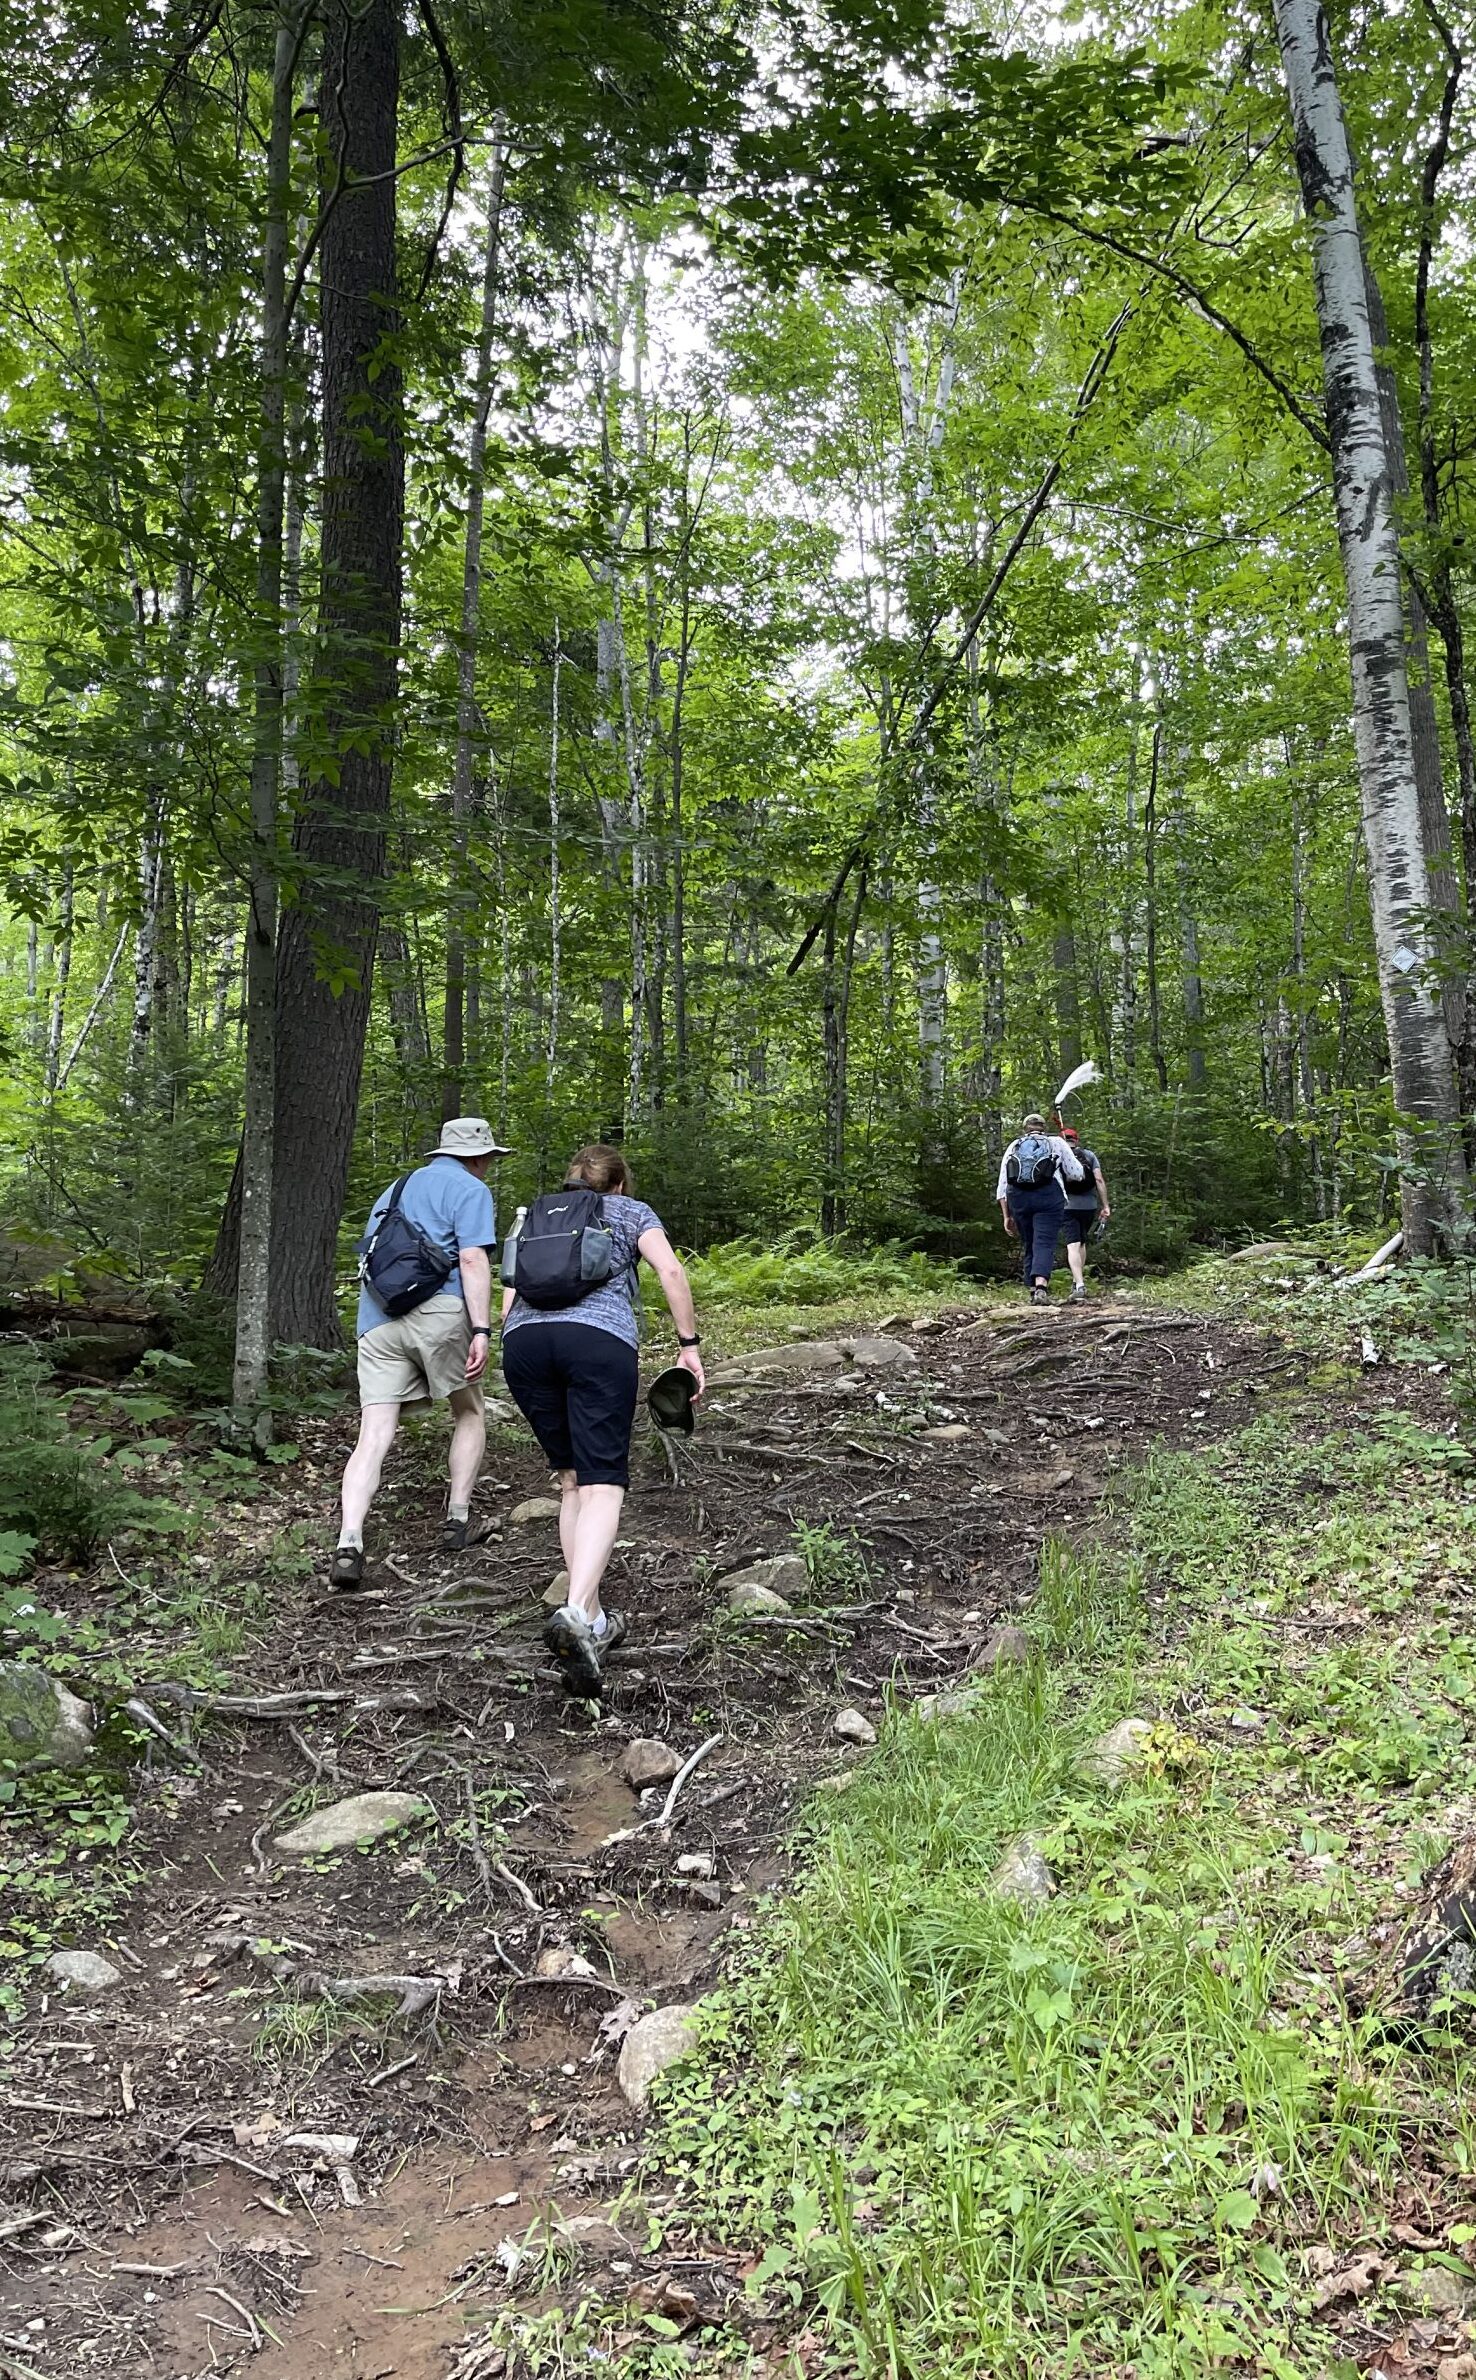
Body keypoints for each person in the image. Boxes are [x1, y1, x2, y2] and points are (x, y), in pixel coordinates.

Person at [500, 1144, 704, 1698]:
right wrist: (688, 1348)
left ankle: (587, 1619)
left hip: (522, 1345)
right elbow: (670, 1269)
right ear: (618, 1185)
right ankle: (573, 1609)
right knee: (603, 1483)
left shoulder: (538, 1214)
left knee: (570, 1480)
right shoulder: (632, 1213)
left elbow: (509, 1293)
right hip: (597, 1343)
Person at [330, 1116, 507, 1590]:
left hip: (378, 1319)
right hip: (438, 1316)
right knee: (469, 1412)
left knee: (373, 1434)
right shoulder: (471, 1190)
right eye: (489, 1157)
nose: (489, 1166)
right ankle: (457, 1519)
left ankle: (349, 1541)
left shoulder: (395, 1189)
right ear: (477, 1156)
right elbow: (472, 1259)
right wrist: (483, 1329)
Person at [996, 1111, 1084, 1306]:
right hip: (1048, 1196)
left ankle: (1031, 1289)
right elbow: (1077, 1173)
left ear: (1025, 1128)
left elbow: (1002, 1185)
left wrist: (1006, 1216)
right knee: (1043, 1241)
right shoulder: (1056, 1143)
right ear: (1043, 1128)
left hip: (1018, 1198)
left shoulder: (1014, 1145)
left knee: (1029, 1241)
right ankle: (1041, 1287)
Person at [1058, 1125, 1111, 1304]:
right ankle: (1076, 1281)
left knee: (1072, 1244)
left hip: (1067, 1206)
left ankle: (1079, 1285)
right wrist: (1105, 1205)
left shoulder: (1059, 1156)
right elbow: (1098, 1179)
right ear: (1077, 1139)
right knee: (1081, 1242)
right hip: (1089, 1205)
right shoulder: (1089, 1155)